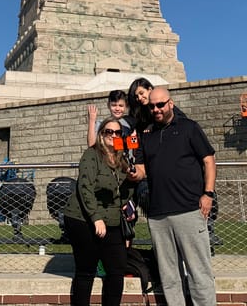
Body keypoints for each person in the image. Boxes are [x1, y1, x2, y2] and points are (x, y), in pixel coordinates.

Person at [128, 88, 217, 306]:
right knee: (169, 276)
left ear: (170, 103)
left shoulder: (189, 127)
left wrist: (208, 194)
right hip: (158, 214)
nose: (156, 109)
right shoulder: (146, 134)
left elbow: (209, 160)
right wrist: (130, 171)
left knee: (199, 272)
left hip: (189, 209)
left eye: (160, 105)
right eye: (152, 106)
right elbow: (141, 170)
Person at [63, 117, 136, 306]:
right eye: (108, 132)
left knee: (116, 269)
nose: (113, 135)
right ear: (101, 135)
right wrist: (95, 218)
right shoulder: (92, 154)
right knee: (86, 270)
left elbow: (123, 196)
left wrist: (131, 180)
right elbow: (85, 187)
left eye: (117, 132)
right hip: (83, 218)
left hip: (111, 219)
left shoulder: (123, 159)